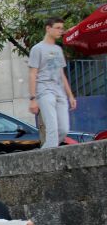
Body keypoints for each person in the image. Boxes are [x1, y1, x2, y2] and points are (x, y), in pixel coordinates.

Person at [28, 17, 78, 149]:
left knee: (63, 129)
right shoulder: (37, 49)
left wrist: (70, 95)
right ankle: (47, 156)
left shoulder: (58, 50)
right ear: (48, 28)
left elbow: (61, 74)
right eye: (57, 28)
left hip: (59, 92)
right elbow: (33, 73)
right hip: (44, 91)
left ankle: (44, 153)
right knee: (52, 130)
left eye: (62, 28)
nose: (60, 31)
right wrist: (33, 98)